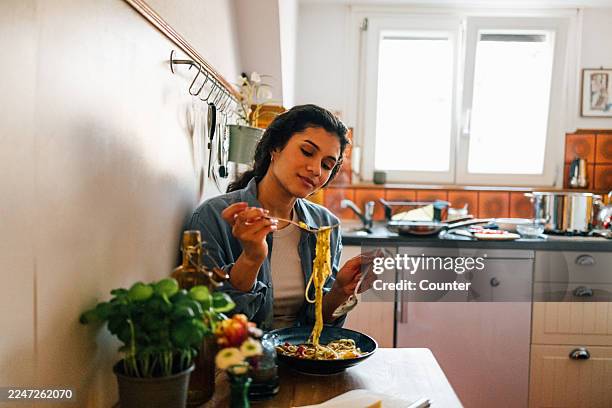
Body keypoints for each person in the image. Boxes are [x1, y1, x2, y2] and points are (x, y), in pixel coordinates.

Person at [187, 104, 370, 331]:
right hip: (240, 360)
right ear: (276, 147)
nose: (316, 170)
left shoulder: (325, 225)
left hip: (303, 359)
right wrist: (251, 259)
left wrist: (341, 290)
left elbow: (319, 324)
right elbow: (208, 321)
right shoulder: (212, 217)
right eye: (307, 151)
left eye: (326, 165)